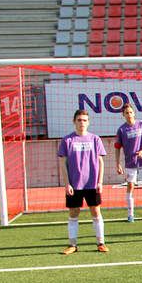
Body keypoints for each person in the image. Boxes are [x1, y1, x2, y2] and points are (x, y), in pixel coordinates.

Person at [57, 108, 109, 254]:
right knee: (73, 213)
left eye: (85, 120)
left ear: (88, 122)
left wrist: (100, 182)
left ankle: (101, 243)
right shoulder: (67, 140)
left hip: (92, 183)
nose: (82, 123)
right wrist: (67, 183)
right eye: (79, 120)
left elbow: (100, 162)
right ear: (74, 122)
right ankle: (72, 245)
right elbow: (63, 163)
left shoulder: (95, 139)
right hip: (74, 184)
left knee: (95, 211)